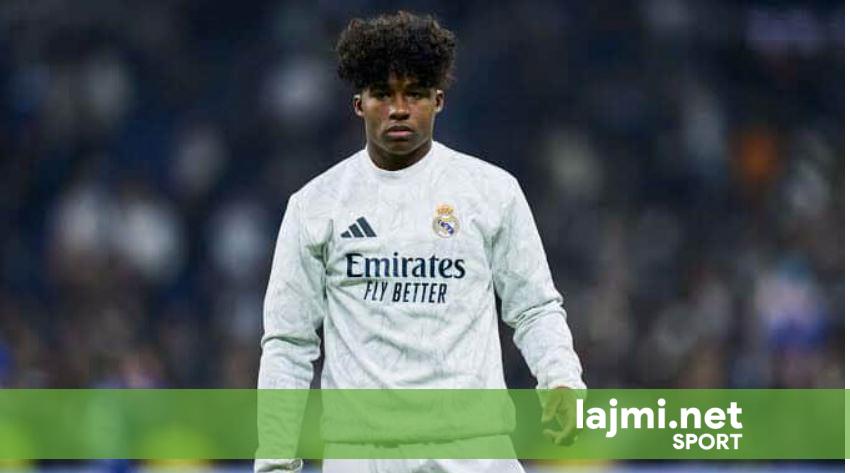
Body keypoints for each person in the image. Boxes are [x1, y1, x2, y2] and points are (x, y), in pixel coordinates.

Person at [255, 11, 585, 473]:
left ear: (438, 101)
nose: (399, 109)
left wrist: (562, 381)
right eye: (382, 94)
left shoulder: (491, 193)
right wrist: (274, 461)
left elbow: (534, 307)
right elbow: (289, 343)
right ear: (359, 104)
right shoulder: (316, 205)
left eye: (414, 93)